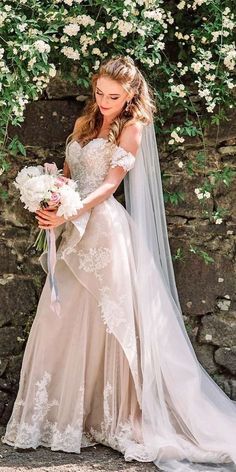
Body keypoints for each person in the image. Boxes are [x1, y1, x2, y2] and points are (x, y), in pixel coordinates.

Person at [1, 56, 236, 472]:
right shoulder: (81, 125)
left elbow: (110, 186)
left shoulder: (132, 128)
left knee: (112, 322)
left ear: (130, 95)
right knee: (62, 319)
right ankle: (66, 418)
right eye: (99, 93)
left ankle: (116, 415)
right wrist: (51, 199)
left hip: (104, 230)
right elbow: (70, 177)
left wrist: (70, 212)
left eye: (114, 96)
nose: (105, 101)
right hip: (73, 227)